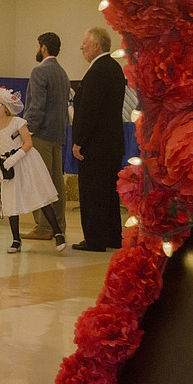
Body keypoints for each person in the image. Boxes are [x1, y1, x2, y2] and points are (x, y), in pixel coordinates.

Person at [0, 84, 66, 254]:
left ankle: (58, 232)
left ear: (6, 107)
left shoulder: (17, 122)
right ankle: (15, 239)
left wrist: (14, 158)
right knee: (11, 201)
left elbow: (28, 143)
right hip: (8, 167)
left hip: (26, 162)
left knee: (39, 195)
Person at [71, 27, 125, 252]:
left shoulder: (98, 71)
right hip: (111, 143)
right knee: (109, 194)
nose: (81, 47)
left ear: (96, 46)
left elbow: (90, 110)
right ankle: (113, 236)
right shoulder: (114, 68)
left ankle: (95, 239)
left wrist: (79, 140)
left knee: (93, 193)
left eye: (85, 43)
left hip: (95, 145)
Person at [21, 32, 71, 240]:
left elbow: (36, 107)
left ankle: (43, 226)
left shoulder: (39, 71)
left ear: (43, 47)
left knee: (39, 181)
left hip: (40, 133)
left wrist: (27, 131)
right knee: (55, 182)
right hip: (58, 133)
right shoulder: (63, 73)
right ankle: (57, 224)